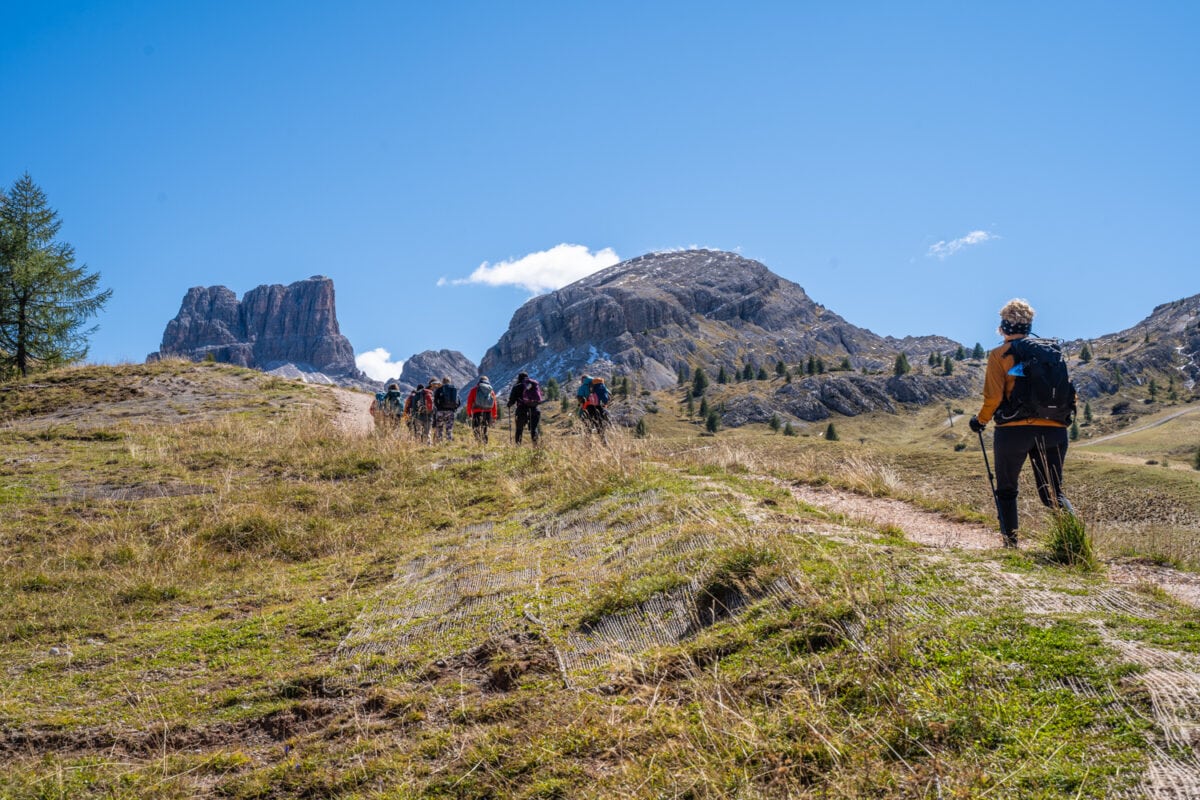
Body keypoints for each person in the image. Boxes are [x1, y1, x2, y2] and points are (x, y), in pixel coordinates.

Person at [969, 298, 1075, 548]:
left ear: (1003, 326)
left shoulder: (999, 355)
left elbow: (994, 397)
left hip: (1013, 431)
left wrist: (980, 421)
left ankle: (1011, 545)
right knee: (1052, 492)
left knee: (1007, 489)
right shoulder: (1052, 353)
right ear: (1029, 325)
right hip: (1054, 430)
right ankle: (1074, 544)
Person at [506, 371, 543, 445]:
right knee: (534, 429)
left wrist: (509, 404)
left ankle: (518, 447)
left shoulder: (517, 387)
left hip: (521, 410)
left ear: (519, 378)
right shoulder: (533, 385)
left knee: (519, 429)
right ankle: (536, 447)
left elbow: (512, 401)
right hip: (534, 409)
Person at [466, 375, 498, 443]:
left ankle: (478, 443)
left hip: (477, 412)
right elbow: (494, 403)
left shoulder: (474, 390)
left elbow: (469, 402)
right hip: (488, 412)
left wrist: (469, 413)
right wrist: (494, 415)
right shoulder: (491, 391)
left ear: (479, 381)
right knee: (485, 429)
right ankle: (485, 444)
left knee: (476, 428)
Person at [433, 375, 460, 442]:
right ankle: (449, 441)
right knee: (449, 428)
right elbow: (458, 401)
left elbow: (435, 400)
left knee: (440, 427)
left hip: (440, 411)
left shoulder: (439, 389)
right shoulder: (454, 389)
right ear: (449, 382)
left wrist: (438, 407)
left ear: (443, 382)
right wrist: (454, 408)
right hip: (450, 411)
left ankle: (440, 441)